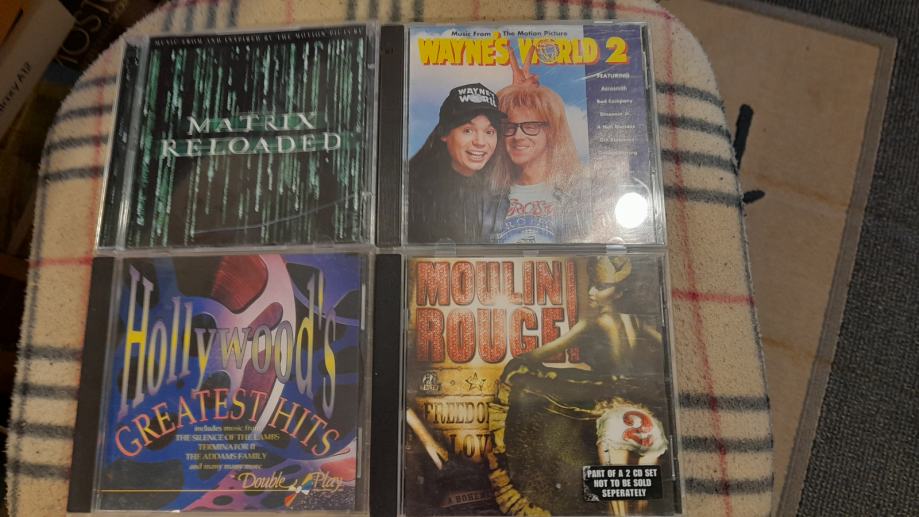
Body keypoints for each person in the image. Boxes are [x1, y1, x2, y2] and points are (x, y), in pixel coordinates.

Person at [482, 51, 584, 244]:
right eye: (509, 127)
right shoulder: (488, 196)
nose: (518, 136)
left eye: (530, 126)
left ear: (552, 131)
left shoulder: (576, 193)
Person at [407, 83, 505, 244]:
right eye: (468, 130)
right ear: (444, 133)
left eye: (489, 132)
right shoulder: (412, 189)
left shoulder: (504, 188)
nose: (480, 142)